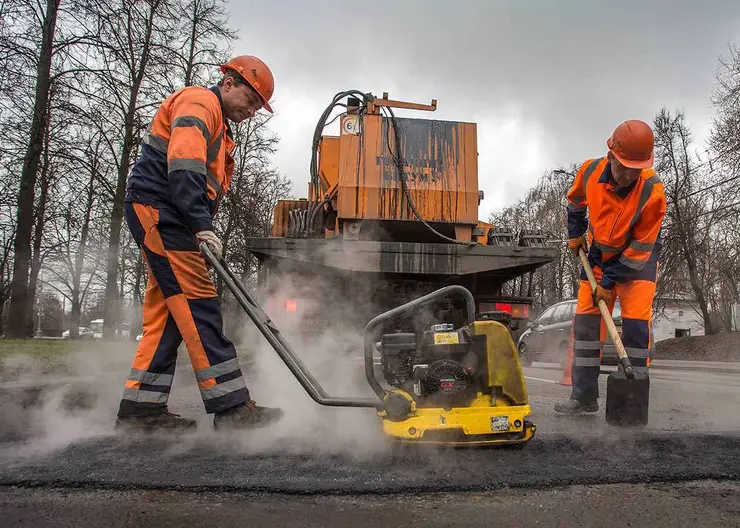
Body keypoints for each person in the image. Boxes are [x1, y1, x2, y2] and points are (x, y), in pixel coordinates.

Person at [115, 55, 284, 432]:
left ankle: (140, 412)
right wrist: (200, 224)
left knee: (169, 317)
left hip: (169, 216)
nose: (252, 111)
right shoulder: (200, 102)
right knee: (200, 304)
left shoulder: (223, 131)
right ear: (229, 83)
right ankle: (232, 408)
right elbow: (184, 167)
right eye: (251, 100)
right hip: (162, 212)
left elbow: (202, 180)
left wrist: (197, 225)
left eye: (258, 106)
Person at [555, 120, 667, 414]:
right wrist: (576, 232)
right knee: (587, 325)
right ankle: (583, 397)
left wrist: (608, 284)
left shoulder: (652, 192)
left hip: (637, 261)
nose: (629, 175)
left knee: (635, 328)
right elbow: (575, 199)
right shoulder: (590, 171)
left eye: (636, 169)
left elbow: (640, 248)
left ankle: (631, 403)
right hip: (598, 256)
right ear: (611, 157)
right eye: (624, 167)